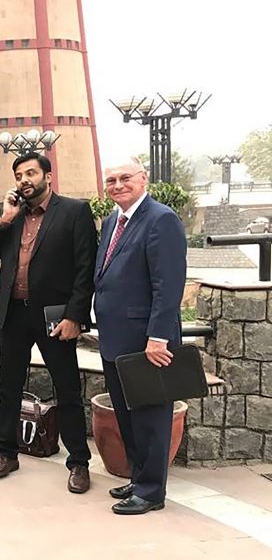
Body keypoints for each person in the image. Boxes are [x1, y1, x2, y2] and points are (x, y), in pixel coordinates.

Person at [0, 151, 97, 493]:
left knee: (67, 389)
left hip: (54, 316)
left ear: (48, 176)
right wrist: (3, 220)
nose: (24, 180)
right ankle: (5, 452)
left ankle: (78, 462)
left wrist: (76, 316)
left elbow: (84, 270)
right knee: (9, 386)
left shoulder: (74, 212)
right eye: (18, 175)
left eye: (31, 173)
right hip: (14, 313)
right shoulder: (10, 215)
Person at [94, 160, 186, 515]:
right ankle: (138, 477)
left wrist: (159, 336)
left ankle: (150, 493)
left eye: (125, 178)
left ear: (143, 179)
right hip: (115, 339)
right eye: (112, 180)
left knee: (150, 416)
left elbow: (168, 284)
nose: (118, 185)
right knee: (127, 415)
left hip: (147, 342)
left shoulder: (161, 219)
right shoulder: (111, 222)